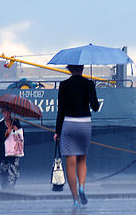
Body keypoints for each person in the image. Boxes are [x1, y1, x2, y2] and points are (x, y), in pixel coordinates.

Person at [53, 65, 99, 208]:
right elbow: (95, 107)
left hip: (69, 123)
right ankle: (82, 187)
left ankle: (76, 200)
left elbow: (61, 110)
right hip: (85, 123)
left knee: (71, 162)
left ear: (69, 69)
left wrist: (57, 131)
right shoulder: (89, 84)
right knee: (82, 159)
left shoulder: (64, 85)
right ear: (83, 68)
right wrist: (91, 90)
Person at [0, 107, 22, 190]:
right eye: (5, 113)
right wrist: (6, 133)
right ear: (2, 113)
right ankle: (4, 187)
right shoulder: (0, 124)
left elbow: (20, 137)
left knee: (14, 170)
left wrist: (17, 130)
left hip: (14, 151)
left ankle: (12, 187)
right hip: (4, 151)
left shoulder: (16, 122)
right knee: (4, 170)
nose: (7, 115)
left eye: (8, 113)